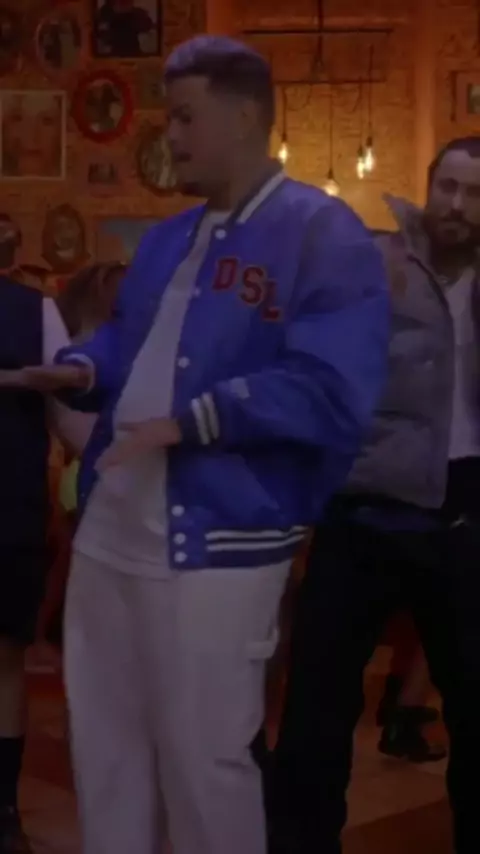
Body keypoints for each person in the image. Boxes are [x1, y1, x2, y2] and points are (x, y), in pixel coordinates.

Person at [7, 35, 388, 854]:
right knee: (105, 746)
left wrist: (199, 418)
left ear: (244, 116)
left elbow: (333, 385)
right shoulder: (166, 237)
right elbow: (128, 342)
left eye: (185, 117)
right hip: (112, 526)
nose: (170, 136)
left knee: (203, 757)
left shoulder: (324, 235)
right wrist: (78, 370)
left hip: (221, 537)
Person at [266, 136, 480, 854]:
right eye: (447, 187)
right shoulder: (373, 264)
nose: (457, 205)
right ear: (429, 188)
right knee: (317, 706)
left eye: (474, 193)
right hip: (365, 505)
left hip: (466, 508)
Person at [0, 272, 93, 853]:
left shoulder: (31, 311)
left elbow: (72, 419)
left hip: (7, 512)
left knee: (4, 661)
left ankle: (2, 809)